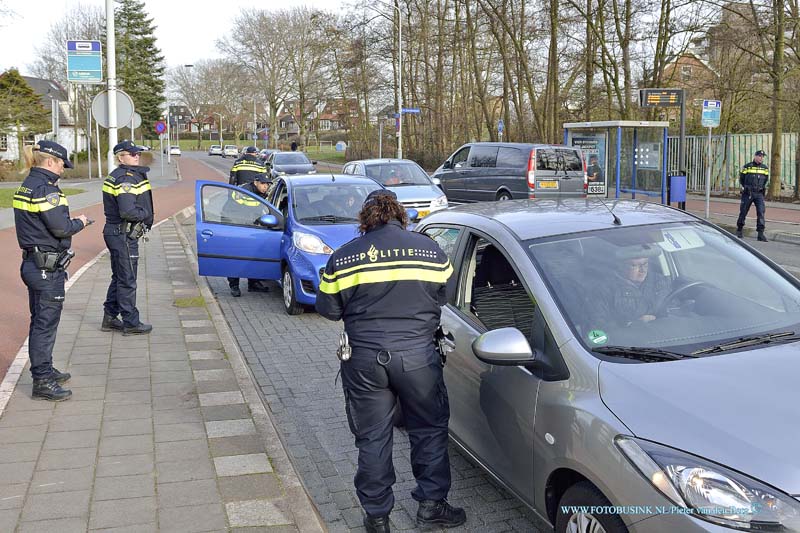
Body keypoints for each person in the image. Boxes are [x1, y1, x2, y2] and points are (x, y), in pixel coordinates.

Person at [316, 190, 466, 533]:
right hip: (419, 358)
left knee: (373, 437)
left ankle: (377, 517)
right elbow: (446, 294)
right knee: (428, 430)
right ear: (400, 214)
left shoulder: (343, 257)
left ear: (364, 220)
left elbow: (327, 309)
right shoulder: (429, 249)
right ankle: (431, 507)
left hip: (365, 361)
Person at [14, 141, 89, 401]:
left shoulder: (27, 185)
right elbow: (61, 228)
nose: (63, 170)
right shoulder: (46, 189)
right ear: (49, 162)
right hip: (46, 268)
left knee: (40, 321)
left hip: (33, 264)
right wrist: (80, 222)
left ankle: (44, 369)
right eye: (61, 164)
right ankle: (42, 381)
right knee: (45, 325)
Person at [101, 140, 154, 336]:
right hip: (123, 234)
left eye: (137, 153)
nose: (136, 156)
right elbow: (128, 211)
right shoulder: (125, 178)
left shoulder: (126, 175)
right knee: (127, 279)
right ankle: (131, 321)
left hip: (117, 233)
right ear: (120, 157)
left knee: (120, 276)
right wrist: (145, 215)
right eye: (132, 154)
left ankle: (109, 317)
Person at [226, 173, 272, 297]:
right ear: (256, 182)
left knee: (254, 256)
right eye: (263, 184)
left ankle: (253, 283)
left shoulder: (257, 191)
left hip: (249, 227)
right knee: (237, 257)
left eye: (267, 184)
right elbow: (251, 210)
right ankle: (234, 285)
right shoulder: (246, 193)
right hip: (237, 226)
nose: (265, 187)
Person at [602, 248, 670, 326]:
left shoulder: (659, 281)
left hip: (665, 333)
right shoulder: (605, 290)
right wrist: (633, 324)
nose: (643, 270)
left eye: (645, 264)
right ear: (620, 266)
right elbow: (598, 327)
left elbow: (673, 307)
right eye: (634, 266)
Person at [737, 149, 769, 241]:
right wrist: (746, 187)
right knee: (743, 211)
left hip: (759, 194)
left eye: (762, 156)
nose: (761, 158)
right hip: (748, 193)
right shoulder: (747, 166)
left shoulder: (765, 168)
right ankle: (739, 229)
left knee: (761, 212)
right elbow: (741, 179)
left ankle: (760, 234)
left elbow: (766, 180)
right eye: (759, 156)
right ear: (755, 156)